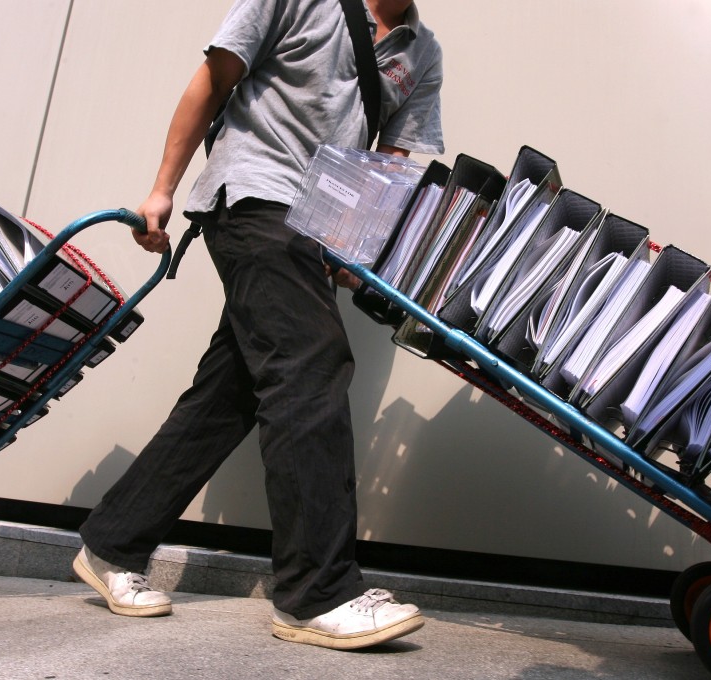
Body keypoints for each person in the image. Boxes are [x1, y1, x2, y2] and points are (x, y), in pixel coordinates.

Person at [73, 0, 444, 650]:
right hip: (253, 195)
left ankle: (112, 544)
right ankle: (316, 593)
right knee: (310, 366)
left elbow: (391, 155)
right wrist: (163, 188)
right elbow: (212, 80)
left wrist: (353, 244)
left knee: (230, 395)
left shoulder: (422, 52)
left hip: (316, 224)